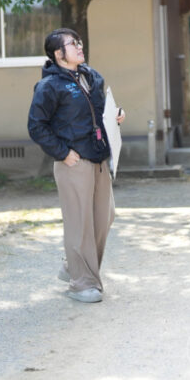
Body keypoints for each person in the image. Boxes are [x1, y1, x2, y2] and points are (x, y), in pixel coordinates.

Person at [27, 28, 124, 303]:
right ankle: (82, 283)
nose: (80, 46)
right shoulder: (50, 86)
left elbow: (100, 112)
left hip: (99, 158)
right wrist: (62, 153)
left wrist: (116, 116)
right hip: (74, 161)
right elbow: (36, 125)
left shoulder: (92, 77)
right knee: (79, 222)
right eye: (73, 44)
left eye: (79, 42)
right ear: (59, 54)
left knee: (105, 216)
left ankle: (73, 265)